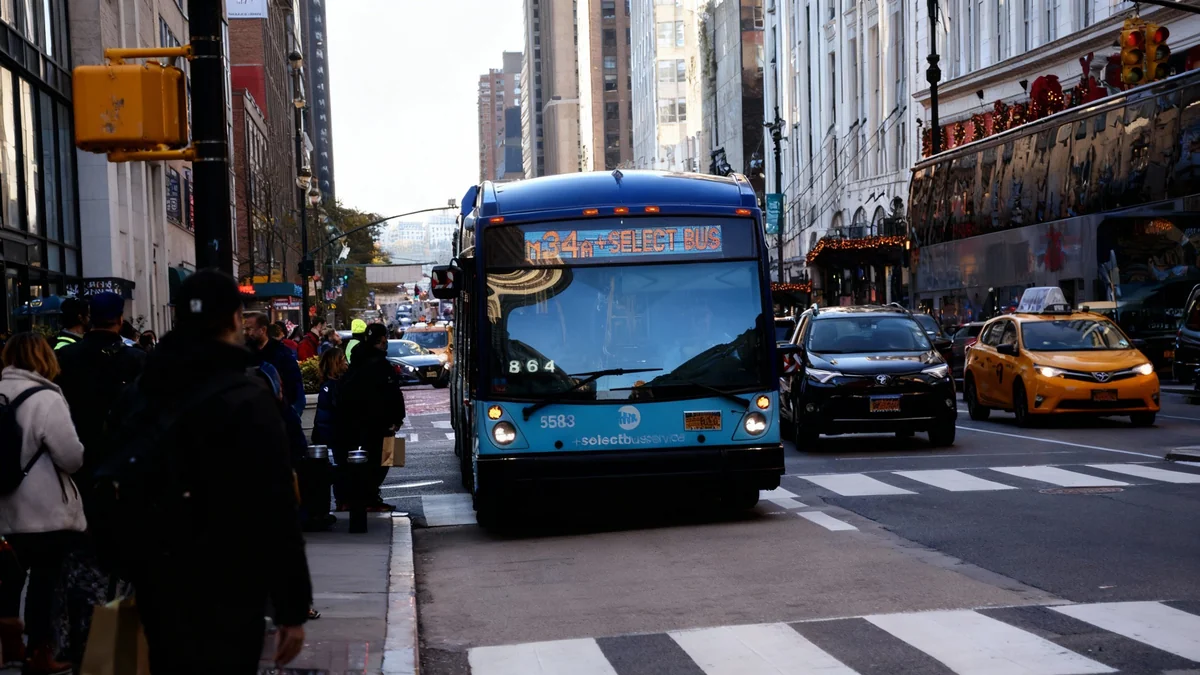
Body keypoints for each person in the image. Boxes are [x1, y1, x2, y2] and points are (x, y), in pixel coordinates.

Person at [110, 268, 311, 674]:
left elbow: (114, 473)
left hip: (159, 578)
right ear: (235, 319)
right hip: (230, 581)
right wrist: (292, 606)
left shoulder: (140, 392)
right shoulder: (248, 397)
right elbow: (275, 506)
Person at [52, 292, 146, 666]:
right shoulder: (138, 362)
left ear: (89, 319)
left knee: (78, 567)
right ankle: (122, 647)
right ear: (120, 320)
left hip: (78, 477)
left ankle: (81, 642)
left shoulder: (66, 361)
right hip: (127, 478)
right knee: (125, 566)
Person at [0, 333, 86, 675]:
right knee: (45, 581)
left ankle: (9, 644)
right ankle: (39, 651)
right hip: (43, 511)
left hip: (4, 507)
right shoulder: (46, 397)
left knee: (9, 576)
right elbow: (71, 455)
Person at [333, 324, 404, 512]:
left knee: (370, 462)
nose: (385, 344)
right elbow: (391, 394)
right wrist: (397, 419)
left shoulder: (357, 362)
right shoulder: (379, 365)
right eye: (384, 340)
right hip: (379, 424)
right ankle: (370, 498)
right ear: (381, 341)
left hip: (359, 423)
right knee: (385, 460)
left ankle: (364, 497)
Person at [246, 313, 306, 417]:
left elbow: (295, 383)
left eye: (250, 329)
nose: (247, 333)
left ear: (263, 330)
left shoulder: (281, 352)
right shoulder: (245, 353)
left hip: (279, 413)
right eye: (246, 329)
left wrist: (290, 408)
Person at [313, 348, 347, 509]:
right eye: (343, 360)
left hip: (331, 434)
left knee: (338, 469)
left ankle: (341, 500)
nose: (346, 363)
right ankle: (342, 501)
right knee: (340, 469)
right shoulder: (333, 387)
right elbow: (336, 412)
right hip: (334, 435)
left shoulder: (329, 385)